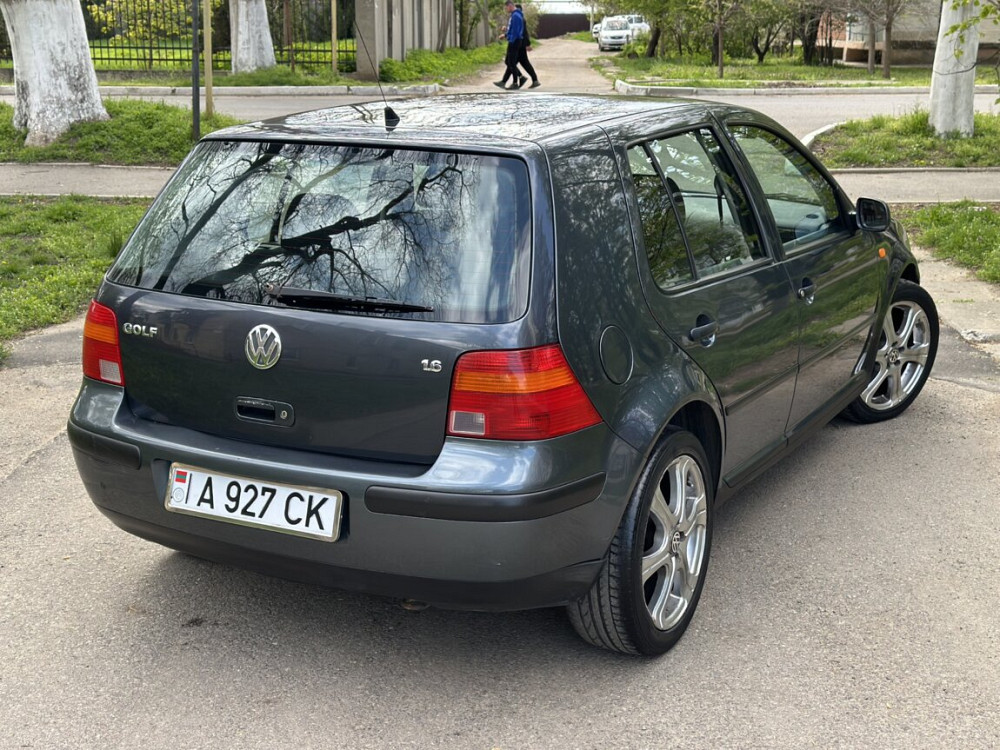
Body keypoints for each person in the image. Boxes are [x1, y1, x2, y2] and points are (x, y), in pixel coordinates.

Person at [493, 1, 525, 90]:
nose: (506, 9)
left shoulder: (516, 16)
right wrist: (506, 33)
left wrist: (508, 37)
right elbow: (512, 29)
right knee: (509, 62)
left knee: (511, 62)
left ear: (510, 6)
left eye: (506, 7)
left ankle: (515, 82)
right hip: (513, 40)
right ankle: (514, 79)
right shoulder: (514, 15)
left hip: (515, 41)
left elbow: (515, 31)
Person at [516, 4, 540, 88]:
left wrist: (527, 44)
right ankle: (534, 80)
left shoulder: (520, 19)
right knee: (523, 63)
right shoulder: (521, 19)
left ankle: (520, 79)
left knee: (511, 63)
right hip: (521, 45)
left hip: (520, 45)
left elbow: (524, 33)